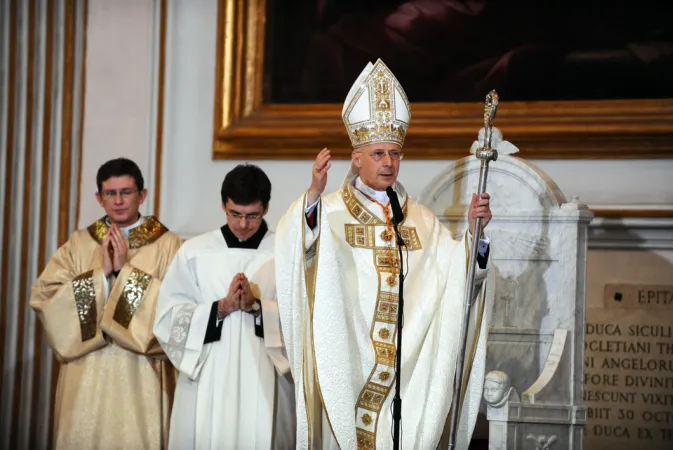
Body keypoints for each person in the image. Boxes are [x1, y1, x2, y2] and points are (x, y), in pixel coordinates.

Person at [275, 59, 494, 449]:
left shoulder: (422, 221)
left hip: (406, 375)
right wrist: (312, 195)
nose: (389, 162)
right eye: (378, 153)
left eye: (395, 153)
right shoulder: (330, 212)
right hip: (350, 357)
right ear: (356, 157)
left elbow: (457, 274)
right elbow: (300, 250)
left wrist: (476, 238)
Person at [30, 157, 183, 449]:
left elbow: (178, 311)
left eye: (126, 192)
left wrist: (126, 274)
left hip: (142, 377)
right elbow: (45, 298)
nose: (119, 201)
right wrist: (100, 277)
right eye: (110, 194)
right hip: (85, 374)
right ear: (99, 199)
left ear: (143, 195)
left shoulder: (168, 245)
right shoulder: (79, 243)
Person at [154, 164, 295, 450]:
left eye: (252, 215)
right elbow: (168, 319)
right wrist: (221, 308)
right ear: (223, 206)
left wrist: (257, 308)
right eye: (235, 214)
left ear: (266, 208)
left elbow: (303, 321)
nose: (243, 224)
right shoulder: (194, 252)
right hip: (208, 375)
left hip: (266, 377)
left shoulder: (285, 251)